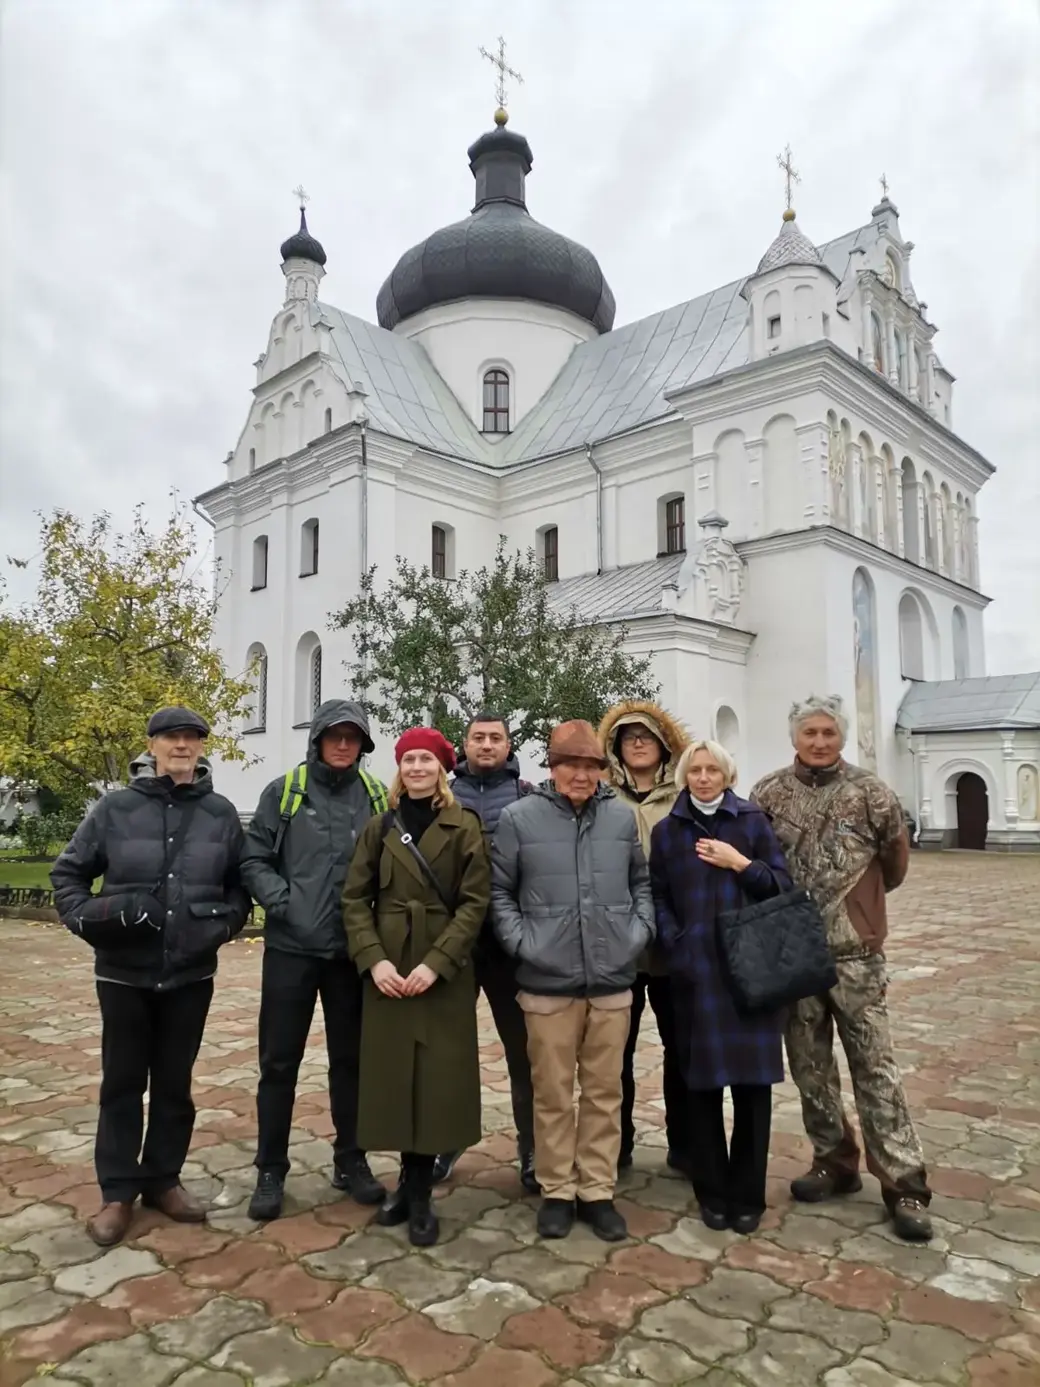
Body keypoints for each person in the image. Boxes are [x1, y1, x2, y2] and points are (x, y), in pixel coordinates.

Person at [51, 707, 250, 1247]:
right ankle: (117, 1191)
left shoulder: (220, 813)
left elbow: (239, 888)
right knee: (121, 1084)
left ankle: (164, 1179)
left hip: (190, 974)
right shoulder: (114, 809)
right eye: (172, 737)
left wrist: (223, 927)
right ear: (152, 745)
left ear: (202, 748)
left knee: (174, 1082)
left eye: (191, 738)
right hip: (123, 973)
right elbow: (68, 874)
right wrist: (87, 918)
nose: (182, 745)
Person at [750, 694, 932, 1241]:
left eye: (829, 732)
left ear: (842, 736)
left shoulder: (872, 793)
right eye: (810, 733)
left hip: (855, 955)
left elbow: (894, 864)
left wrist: (859, 912)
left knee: (874, 1067)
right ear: (795, 737)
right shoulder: (769, 794)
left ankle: (905, 1183)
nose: (820, 741)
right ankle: (834, 1158)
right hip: (795, 953)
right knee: (810, 1066)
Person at [491, 719, 655, 1243]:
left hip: (611, 980)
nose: (581, 775)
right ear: (553, 768)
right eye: (571, 765)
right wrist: (525, 943)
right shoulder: (520, 818)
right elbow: (500, 892)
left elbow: (641, 882)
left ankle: (598, 1190)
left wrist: (638, 933)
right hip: (546, 984)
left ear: (603, 771)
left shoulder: (621, 819)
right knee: (553, 1093)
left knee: (606, 1092)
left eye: (591, 766)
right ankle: (558, 1190)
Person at [241, 699, 388, 1221]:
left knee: (352, 1062)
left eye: (354, 737)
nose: (344, 744)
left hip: (351, 953)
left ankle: (351, 1160)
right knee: (279, 1063)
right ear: (319, 739)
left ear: (363, 745)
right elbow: (253, 856)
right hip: (290, 950)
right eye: (335, 735)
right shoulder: (284, 792)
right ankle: (270, 1168)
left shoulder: (374, 796)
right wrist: (282, 903)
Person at [342, 727, 489, 1247]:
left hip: (440, 970)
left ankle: (422, 1193)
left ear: (443, 768)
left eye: (427, 759)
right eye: (409, 759)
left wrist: (437, 963)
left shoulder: (463, 825)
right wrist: (374, 961)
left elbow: (475, 902)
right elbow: (354, 899)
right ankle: (407, 1182)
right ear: (399, 769)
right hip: (390, 968)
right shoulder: (379, 827)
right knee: (395, 1076)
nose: (417, 768)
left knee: (435, 1078)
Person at [649, 740, 792, 1233]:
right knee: (702, 1088)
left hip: (749, 970)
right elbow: (658, 893)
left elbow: (781, 886)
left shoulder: (751, 822)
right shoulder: (669, 831)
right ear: (684, 776)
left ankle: (748, 1193)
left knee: (753, 1091)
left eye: (713, 770)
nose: (704, 777)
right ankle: (711, 1191)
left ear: (727, 776)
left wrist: (739, 863)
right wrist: (676, 941)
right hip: (697, 973)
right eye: (696, 770)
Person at [432, 712, 537, 1193]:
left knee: (524, 1052)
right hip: (456, 941)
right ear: (465, 745)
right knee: (449, 1048)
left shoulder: (527, 796)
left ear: (509, 745)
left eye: (496, 738)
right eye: (479, 738)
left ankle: (532, 1147)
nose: (487, 745)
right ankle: (444, 1141)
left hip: (509, 945)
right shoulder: (441, 794)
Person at [598, 700, 690, 1176]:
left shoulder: (684, 796)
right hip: (620, 946)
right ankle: (618, 1143)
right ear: (615, 747)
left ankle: (685, 1142)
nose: (637, 742)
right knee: (615, 1051)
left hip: (676, 944)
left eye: (646, 736)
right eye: (628, 736)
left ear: (663, 745)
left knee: (683, 1048)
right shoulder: (603, 796)